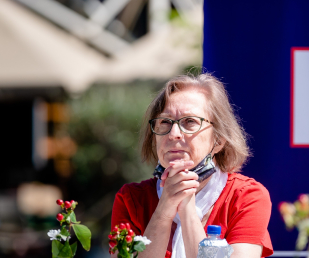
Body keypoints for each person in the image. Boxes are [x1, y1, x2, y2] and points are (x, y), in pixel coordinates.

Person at [111, 73, 274, 258]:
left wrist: (186, 204)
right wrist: (165, 209)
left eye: (190, 122)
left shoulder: (246, 197)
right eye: (165, 122)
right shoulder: (130, 199)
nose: (173, 134)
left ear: (218, 140)